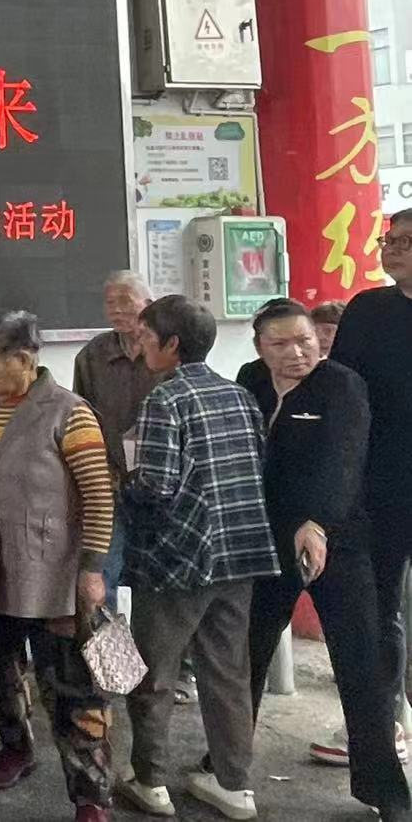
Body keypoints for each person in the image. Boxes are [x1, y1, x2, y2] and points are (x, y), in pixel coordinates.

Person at [0, 311, 114, 822]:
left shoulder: (69, 412)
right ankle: (16, 748)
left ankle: (91, 795)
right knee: (0, 670)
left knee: (74, 689)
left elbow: (99, 495)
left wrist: (92, 569)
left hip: (54, 576)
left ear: (23, 358)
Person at [237, 301, 410, 822]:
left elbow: (345, 460)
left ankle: (386, 790)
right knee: (247, 654)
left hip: (337, 540)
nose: (296, 353)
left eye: (305, 340)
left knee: (360, 664)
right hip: (269, 541)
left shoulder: (341, 386)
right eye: (280, 344)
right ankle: (227, 761)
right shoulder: (250, 381)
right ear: (259, 349)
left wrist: (317, 523)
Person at [119, 296, 278, 821]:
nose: (140, 345)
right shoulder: (240, 395)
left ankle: (150, 781)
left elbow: (157, 487)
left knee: (154, 675)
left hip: (177, 560)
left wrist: (123, 486)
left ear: (172, 344)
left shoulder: (165, 400)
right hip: (240, 553)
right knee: (228, 674)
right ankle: (235, 786)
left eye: (146, 337)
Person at [324, 212, 412, 768]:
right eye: (389, 240)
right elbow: (342, 395)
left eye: (406, 241)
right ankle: (385, 726)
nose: (392, 249)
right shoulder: (367, 310)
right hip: (380, 487)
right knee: (379, 610)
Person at [72, 270, 158, 614]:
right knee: (101, 575)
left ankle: (159, 649)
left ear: (148, 304)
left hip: (159, 484)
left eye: (125, 301)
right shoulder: (92, 356)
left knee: (156, 576)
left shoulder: (167, 349)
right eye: (110, 303)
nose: (117, 310)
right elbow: (82, 419)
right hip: (109, 482)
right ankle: (108, 649)